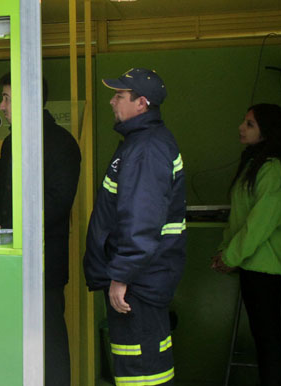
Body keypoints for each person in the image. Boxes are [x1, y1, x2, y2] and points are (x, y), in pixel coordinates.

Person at [83, 68, 186, 385]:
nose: (112, 101)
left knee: (141, 374)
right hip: (141, 284)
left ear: (142, 103)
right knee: (141, 369)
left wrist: (121, 276)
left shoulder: (146, 149)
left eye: (119, 95)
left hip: (136, 286)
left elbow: (140, 223)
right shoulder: (140, 143)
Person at [0, 74, 81, 386]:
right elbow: (0, 193)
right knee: (13, 341)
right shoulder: (11, 141)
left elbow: (58, 202)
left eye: (7, 98)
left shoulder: (61, 142)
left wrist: (14, 229)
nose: (1, 106)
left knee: (49, 344)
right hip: (10, 263)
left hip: (44, 266)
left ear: (28, 99)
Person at [211, 103, 281, 386]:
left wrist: (231, 255)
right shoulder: (256, 164)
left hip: (266, 265)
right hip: (254, 263)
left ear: (267, 131)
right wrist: (226, 253)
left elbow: (260, 224)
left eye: (250, 124)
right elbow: (241, 218)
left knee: (266, 337)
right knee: (264, 335)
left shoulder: (274, 169)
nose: (241, 127)